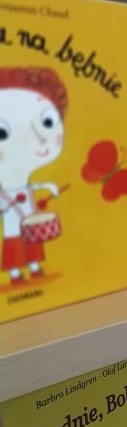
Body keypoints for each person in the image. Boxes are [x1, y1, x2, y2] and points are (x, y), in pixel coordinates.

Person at [0, 66, 67, 284]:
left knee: (32, 239)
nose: (38, 138)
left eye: (47, 122)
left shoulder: (27, 182)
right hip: (11, 214)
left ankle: (35, 267)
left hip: (27, 210)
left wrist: (48, 187)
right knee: (13, 240)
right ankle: (15, 273)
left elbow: (31, 187)